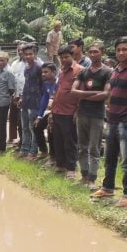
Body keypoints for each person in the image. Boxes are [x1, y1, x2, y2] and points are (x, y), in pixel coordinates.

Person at [91, 36, 127, 207]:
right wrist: (109, 106)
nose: (121, 52)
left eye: (125, 49)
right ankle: (107, 187)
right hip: (113, 120)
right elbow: (112, 92)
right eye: (118, 50)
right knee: (110, 156)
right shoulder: (115, 69)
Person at [71, 42, 111, 187]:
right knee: (82, 146)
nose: (93, 55)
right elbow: (73, 91)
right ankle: (84, 174)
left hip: (97, 114)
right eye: (91, 52)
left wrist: (83, 95)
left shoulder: (107, 72)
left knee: (94, 147)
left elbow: (106, 94)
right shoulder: (83, 72)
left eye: (96, 52)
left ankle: (92, 178)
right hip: (82, 113)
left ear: (102, 52)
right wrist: (95, 93)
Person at [50, 46, 82, 177]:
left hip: (70, 112)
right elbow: (57, 91)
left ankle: (71, 168)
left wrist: (77, 111)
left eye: (66, 57)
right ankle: (60, 165)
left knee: (70, 141)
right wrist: (52, 111)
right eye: (61, 57)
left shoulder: (79, 71)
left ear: (72, 56)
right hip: (58, 110)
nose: (64, 59)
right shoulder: (61, 71)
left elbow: (81, 93)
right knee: (58, 140)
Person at [18, 44, 43, 159]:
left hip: (36, 101)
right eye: (26, 54)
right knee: (25, 127)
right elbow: (27, 84)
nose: (28, 56)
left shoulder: (39, 67)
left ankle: (33, 151)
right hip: (26, 101)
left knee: (33, 128)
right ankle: (24, 149)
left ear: (35, 54)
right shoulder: (26, 67)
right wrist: (22, 97)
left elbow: (43, 86)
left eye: (30, 54)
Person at [34, 63, 57, 158]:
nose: (43, 74)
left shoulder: (59, 83)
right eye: (42, 72)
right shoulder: (46, 83)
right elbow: (45, 99)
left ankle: (53, 157)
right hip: (52, 112)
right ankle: (44, 151)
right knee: (36, 126)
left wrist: (52, 114)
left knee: (51, 131)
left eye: (46, 72)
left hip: (61, 112)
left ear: (54, 72)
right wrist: (39, 116)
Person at [8, 43, 26, 146]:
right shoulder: (14, 63)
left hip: (24, 95)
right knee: (13, 117)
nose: (20, 52)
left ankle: (23, 140)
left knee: (21, 119)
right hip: (15, 94)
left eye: (22, 50)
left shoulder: (29, 63)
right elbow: (12, 78)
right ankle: (14, 138)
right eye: (18, 50)